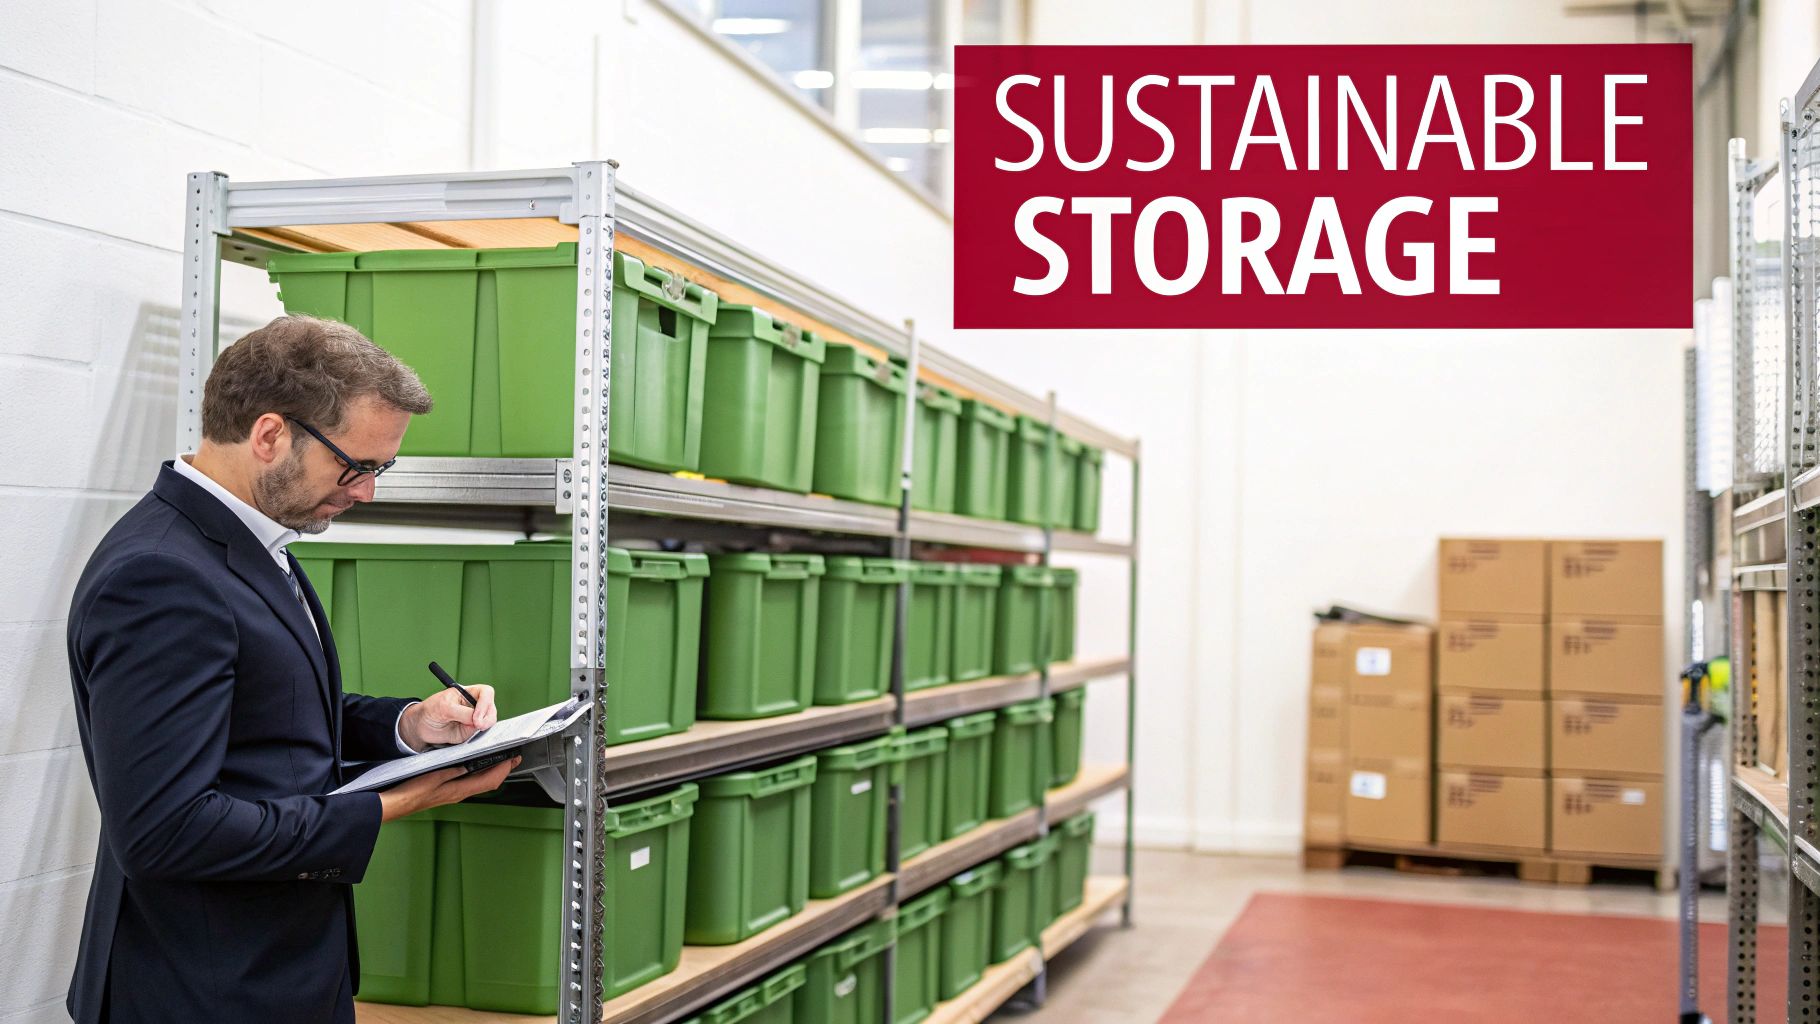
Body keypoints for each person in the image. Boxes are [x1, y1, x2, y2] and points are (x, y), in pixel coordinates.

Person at [64, 315, 518, 1024]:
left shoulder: (251, 542)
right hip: (205, 991)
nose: (366, 493)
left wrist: (410, 725)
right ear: (270, 435)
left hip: (279, 973)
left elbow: (267, 716)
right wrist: (395, 804)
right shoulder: (160, 575)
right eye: (356, 467)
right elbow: (164, 830)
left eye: (381, 470)